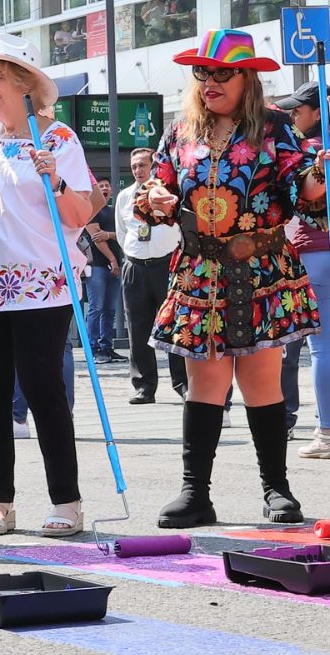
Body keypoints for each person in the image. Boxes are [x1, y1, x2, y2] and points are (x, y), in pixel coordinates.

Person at [135, 30, 324, 528]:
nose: (210, 81)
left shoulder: (276, 126)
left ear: (248, 78)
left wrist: (318, 177)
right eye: (203, 72)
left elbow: (300, 184)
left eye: (223, 73)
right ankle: (195, 494)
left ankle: (276, 491)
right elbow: (159, 182)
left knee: (261, 380)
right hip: (200, 271)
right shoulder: (180, 132)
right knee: (205, 382)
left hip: (260, 269)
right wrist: (155, 198)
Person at [0, 33, 92, 537]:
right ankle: (0, 500)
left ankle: (67, 500)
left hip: (43, 283)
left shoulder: (59, 138)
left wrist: (54, 179)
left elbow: (82, 211)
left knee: (42, 388)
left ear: (25, 85)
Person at [275, 82, 330, 456]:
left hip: (312, 252)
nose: (293, 116)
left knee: (321, 348)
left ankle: (326, 433)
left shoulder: (308, 152)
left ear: (318, 111)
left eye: (299, 109)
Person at [117, 148, 188, 405]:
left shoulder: (168, 193)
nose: (138, 170)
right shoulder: (125, 197)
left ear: (153, 167)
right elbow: (122, 230)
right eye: (134, 166)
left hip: (166, 265)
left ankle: (182, 383)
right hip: (135, 266)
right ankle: (144, 386)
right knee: (137, 328)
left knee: (174, 326)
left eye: (143, 165)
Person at [82, 176, 126, 364]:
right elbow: (96, 238)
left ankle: (107, 348)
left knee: (110, 309)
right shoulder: (91, 211)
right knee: (96, 308)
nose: (105, 188)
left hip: (114, 266)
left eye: (107, 185)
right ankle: (93, 348)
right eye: (101, 186)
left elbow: (126, 233)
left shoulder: (114, 211)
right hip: (97, 267)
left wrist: (109, 234)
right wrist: (113, 260)